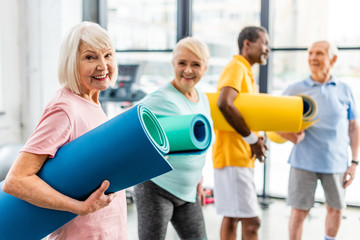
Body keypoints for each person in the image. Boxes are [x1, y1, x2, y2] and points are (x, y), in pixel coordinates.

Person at [2, 21, 128, 240]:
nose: (103, 66)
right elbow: (17, 180)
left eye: (107, 55)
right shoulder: (64, 107)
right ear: (71, 62)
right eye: (90, 57)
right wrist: (79, 207)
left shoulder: (91, 102)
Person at [278, 40, 359, 240]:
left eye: (320, 53)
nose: (313, 57)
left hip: (336, 162)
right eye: (311, 53)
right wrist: (291, 137)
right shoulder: (295, 88)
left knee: (336, 209)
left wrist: (354, 162)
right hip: (303, 162)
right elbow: (274, 121)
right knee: (299, 212)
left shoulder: (345, 89)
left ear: (333, 59)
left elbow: (353, 127)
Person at [133, 37, 213, 240]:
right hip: (157, 188)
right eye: (182, 63)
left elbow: (200, 145)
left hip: (188, 192)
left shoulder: (202, 97)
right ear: (173, 64)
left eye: (195, 64)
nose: (188, 70)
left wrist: (199, 179)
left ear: (205, 67)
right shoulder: (160, 98)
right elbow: (127, 126)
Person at [212, 26, 269, 240]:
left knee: (232, 217)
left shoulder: (245, 71)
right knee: (252, 222)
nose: (268, 50)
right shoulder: (236, 67)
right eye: (265, 43)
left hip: (237, 156)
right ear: (247, 44)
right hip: (233, 157)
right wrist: (252, 139)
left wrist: (256, 137)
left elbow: (241, 112)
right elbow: (224, 103)